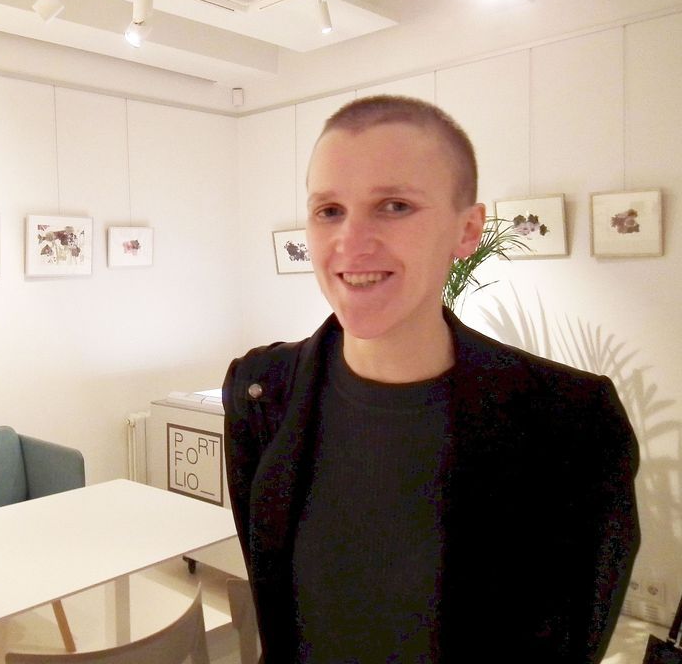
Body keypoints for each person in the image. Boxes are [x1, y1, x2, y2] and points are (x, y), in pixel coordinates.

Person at [222, 95, 640, 663]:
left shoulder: (572, 421)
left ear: (467, 231)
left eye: (394, 206)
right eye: (329, 210)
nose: (351, 242)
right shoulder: (260, 391)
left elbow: (574, 639)